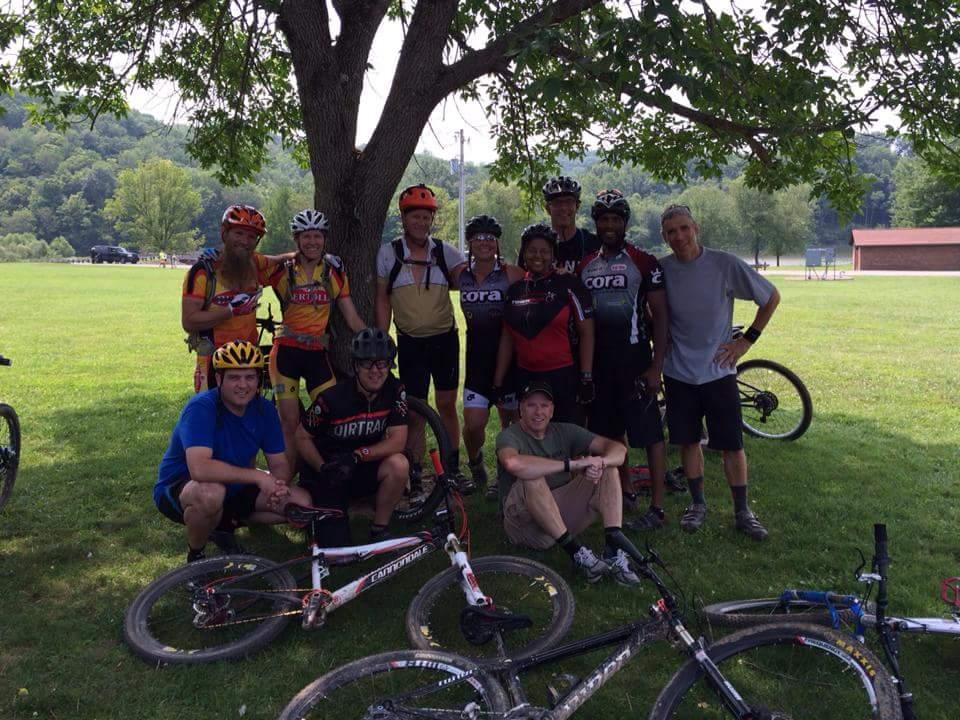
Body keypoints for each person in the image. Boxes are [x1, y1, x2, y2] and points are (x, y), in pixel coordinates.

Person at [659, 204, 781, 540]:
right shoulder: (662, 270)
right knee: (687, 441)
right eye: (671, 232)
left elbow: (770, 296)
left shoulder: (723, 264)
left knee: (731, 444)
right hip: (679, 371)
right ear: (664, 237)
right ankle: (697, 504)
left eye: (684, 228)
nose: (679, 236)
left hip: (718, 370)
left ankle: (742, 510)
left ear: (695, 227)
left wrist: (746, 341)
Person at [154, 340, 312, 563]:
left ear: (259, 380)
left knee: (302, 503)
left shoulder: (264, 409)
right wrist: (258, 477)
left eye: (249, 377)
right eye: (234, 377)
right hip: (183, 487)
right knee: (211, 494)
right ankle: (196, 556)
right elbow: (200, 469)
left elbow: (279, 465)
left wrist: (276, 487)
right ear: (219, 379)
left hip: (235, 485)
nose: (243, 385)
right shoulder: (201, 408)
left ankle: (225, 521)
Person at [578, 190, 669, 531]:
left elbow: (660, 317)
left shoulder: (644, 261)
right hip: (600, 364)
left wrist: (656, 366)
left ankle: (658, 508)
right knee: (610, 435)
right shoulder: (585, 264)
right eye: (604, 219)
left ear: (625, 223)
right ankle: (625, 490)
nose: (610, 225)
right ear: (596, 223)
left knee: (649, 436)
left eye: (617, 219)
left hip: (634, 360)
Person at [495, 381, 638, 585]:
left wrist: (599, 461)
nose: (538, 412)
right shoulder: (509, 435)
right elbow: (512, 463)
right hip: (523, 524)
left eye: (544, 406)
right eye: (531, 405)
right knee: (532, 477)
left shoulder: (564, 431)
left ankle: (613, 549)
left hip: (558, 516)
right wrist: (570, 465)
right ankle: (577, 554)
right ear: (520, 409)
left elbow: (617, 449)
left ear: (552, 410)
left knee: (609, 469)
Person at [375, 184, 467, 475]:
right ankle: (416, 468)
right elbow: (382, 298)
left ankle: (452, 467)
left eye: (426, 218)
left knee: (446, 405)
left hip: (444, 340)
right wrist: (383, 336)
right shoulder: (388, 254)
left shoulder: (444, 251)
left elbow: (474, 280)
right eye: (415, 217)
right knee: (414, 410)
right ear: (403, 219)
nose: (421, 223)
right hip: (410, 342)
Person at [267, 209, 366, 467]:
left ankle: (329, 469)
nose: (313, 242)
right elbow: (251, 264)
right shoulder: (282, 270)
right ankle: (286, 481)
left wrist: (373, 338)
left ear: (324, 238)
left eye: (318, 236)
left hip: (316, 354)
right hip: (286, 354)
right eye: (306, 236)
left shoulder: (333, 271)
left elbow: (351, 317)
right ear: (297, 240)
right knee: (288, 421)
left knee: (335, 414)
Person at [295, 328, 409, 546]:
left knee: (399, 464)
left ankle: (379, 528)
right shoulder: (332, 399)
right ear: (356, 366)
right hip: (330, 471)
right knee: (338, 555)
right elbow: (301, 437)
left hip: (361, 465)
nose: (375, 371)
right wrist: (322, 468)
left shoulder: (395, 390)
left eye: (382, 363)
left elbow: (398, 441)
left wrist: (358, 455)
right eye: (367, 363)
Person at [492, 223, 595, 424]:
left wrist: (586, 377)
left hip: (562, 375)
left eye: (544, 251)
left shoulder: (569, 284)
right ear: (524, 253)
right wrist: (498, 381)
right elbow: (507, 338)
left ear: (553, 255)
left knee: (567, 441)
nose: (537, 256)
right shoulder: (515, 290)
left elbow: (587, 333)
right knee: (533, 439)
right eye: (532, 250)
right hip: (526, 376)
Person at [181, 205, 286, 392]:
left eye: (251, 236)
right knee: (212, 417)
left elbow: (280, 259)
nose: (245, 241)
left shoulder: (254, 263)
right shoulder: (203, 271)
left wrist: (312, 254)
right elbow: (189, 321)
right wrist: (230, 311)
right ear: (224, 233)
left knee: (249, 418)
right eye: (239, 233)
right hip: (213, 361)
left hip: (249, 360)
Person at [458, 214, 525, 495]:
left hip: (509, 360)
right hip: (476, 362)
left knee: (510, 423)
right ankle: (475, 463)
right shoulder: (459, 274)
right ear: (470, 243)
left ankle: (503, 476)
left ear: (497, 242)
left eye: (490, 238)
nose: (484, 243)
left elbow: (540, 276)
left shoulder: (511, 274)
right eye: (478, 238)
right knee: (473, 425)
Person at [542, 175, 601, 274]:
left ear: (577, 206)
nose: (563, 208)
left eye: (569, 201)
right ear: (548, 208)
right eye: (557, 203)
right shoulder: (537, 246)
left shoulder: (594, 243)